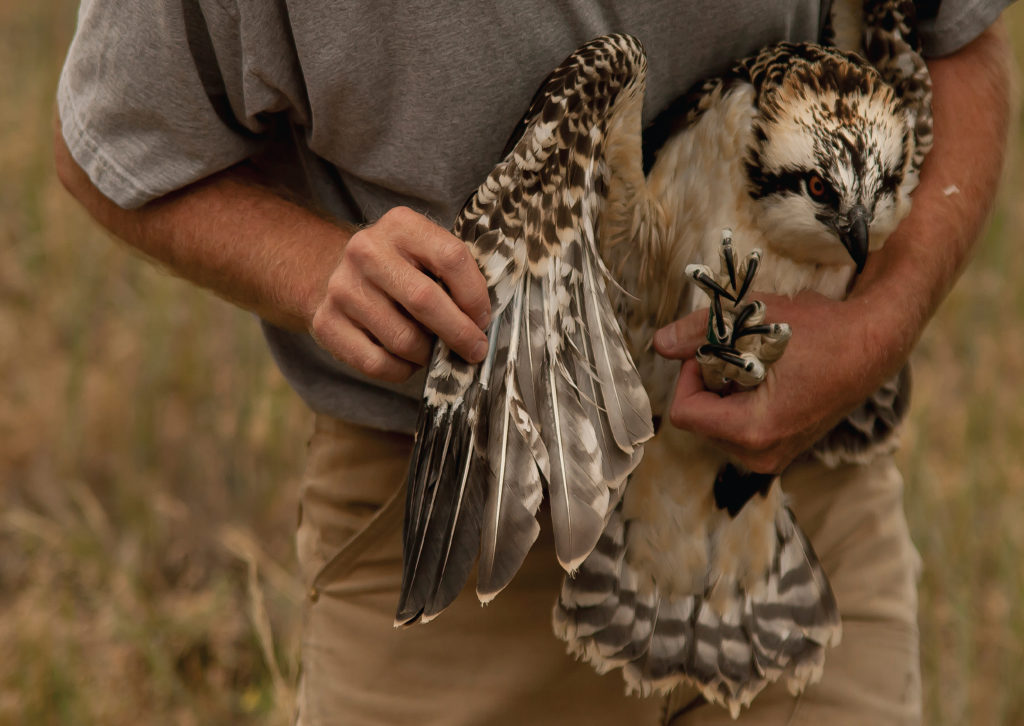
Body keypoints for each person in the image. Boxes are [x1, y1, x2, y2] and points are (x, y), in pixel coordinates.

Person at [54, 2, 1011, 724]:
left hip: (790, 494)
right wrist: (316, 273)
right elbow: (115, 138)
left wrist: (878, 324)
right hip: (475, 513)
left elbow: (956, 39)